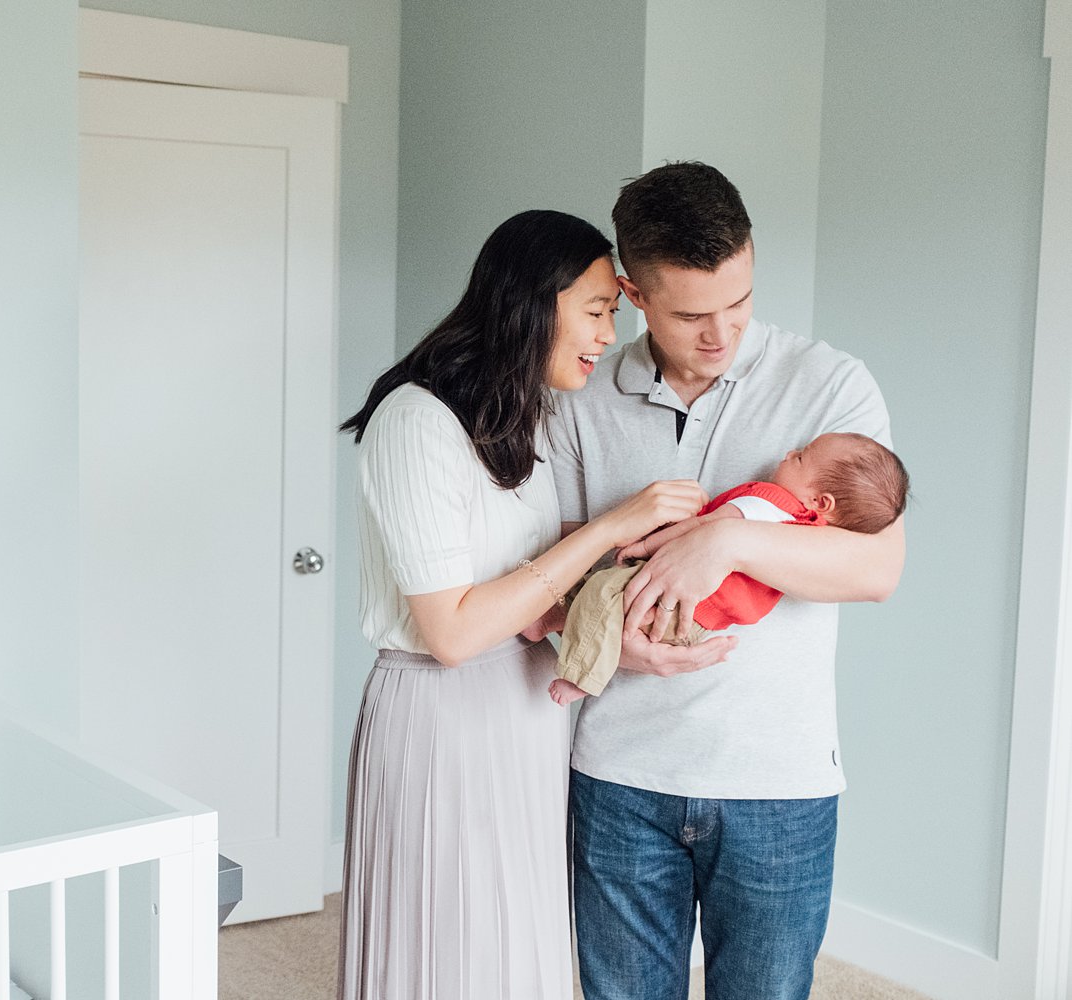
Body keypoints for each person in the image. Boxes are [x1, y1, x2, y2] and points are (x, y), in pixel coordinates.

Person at [334, 209, 726, 1000]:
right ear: (532, 303)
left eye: (613, 313)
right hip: (442, 717)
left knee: (516, 943)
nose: (606, 334)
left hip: (523, 711)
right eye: (595, 310)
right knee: (451, 945)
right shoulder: (416, 421)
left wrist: (621, 623)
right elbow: (454, 631)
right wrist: (611, 527)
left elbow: (526, 595)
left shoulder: (525, 421)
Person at [548, 162, 906, 1000]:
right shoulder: (582, 393)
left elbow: (876, 567)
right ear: (634, 294)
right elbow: (548, 564)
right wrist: (598, 637)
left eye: (739, 303)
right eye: (691, 314)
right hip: (620, 775)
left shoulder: (831, 386)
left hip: (776, 783)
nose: (723, 334)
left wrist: (726, 541)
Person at [549, 432, 910, 702]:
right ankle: (556, 619)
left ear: (820, 500)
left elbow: (700, 529)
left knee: (602, 590)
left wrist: (643, 545)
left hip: (671, 602)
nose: (789, 453)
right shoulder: (807, 538)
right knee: (602, 599)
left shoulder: (770, 501)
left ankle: (580, 677)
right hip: (696, 624)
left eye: (800, 458)